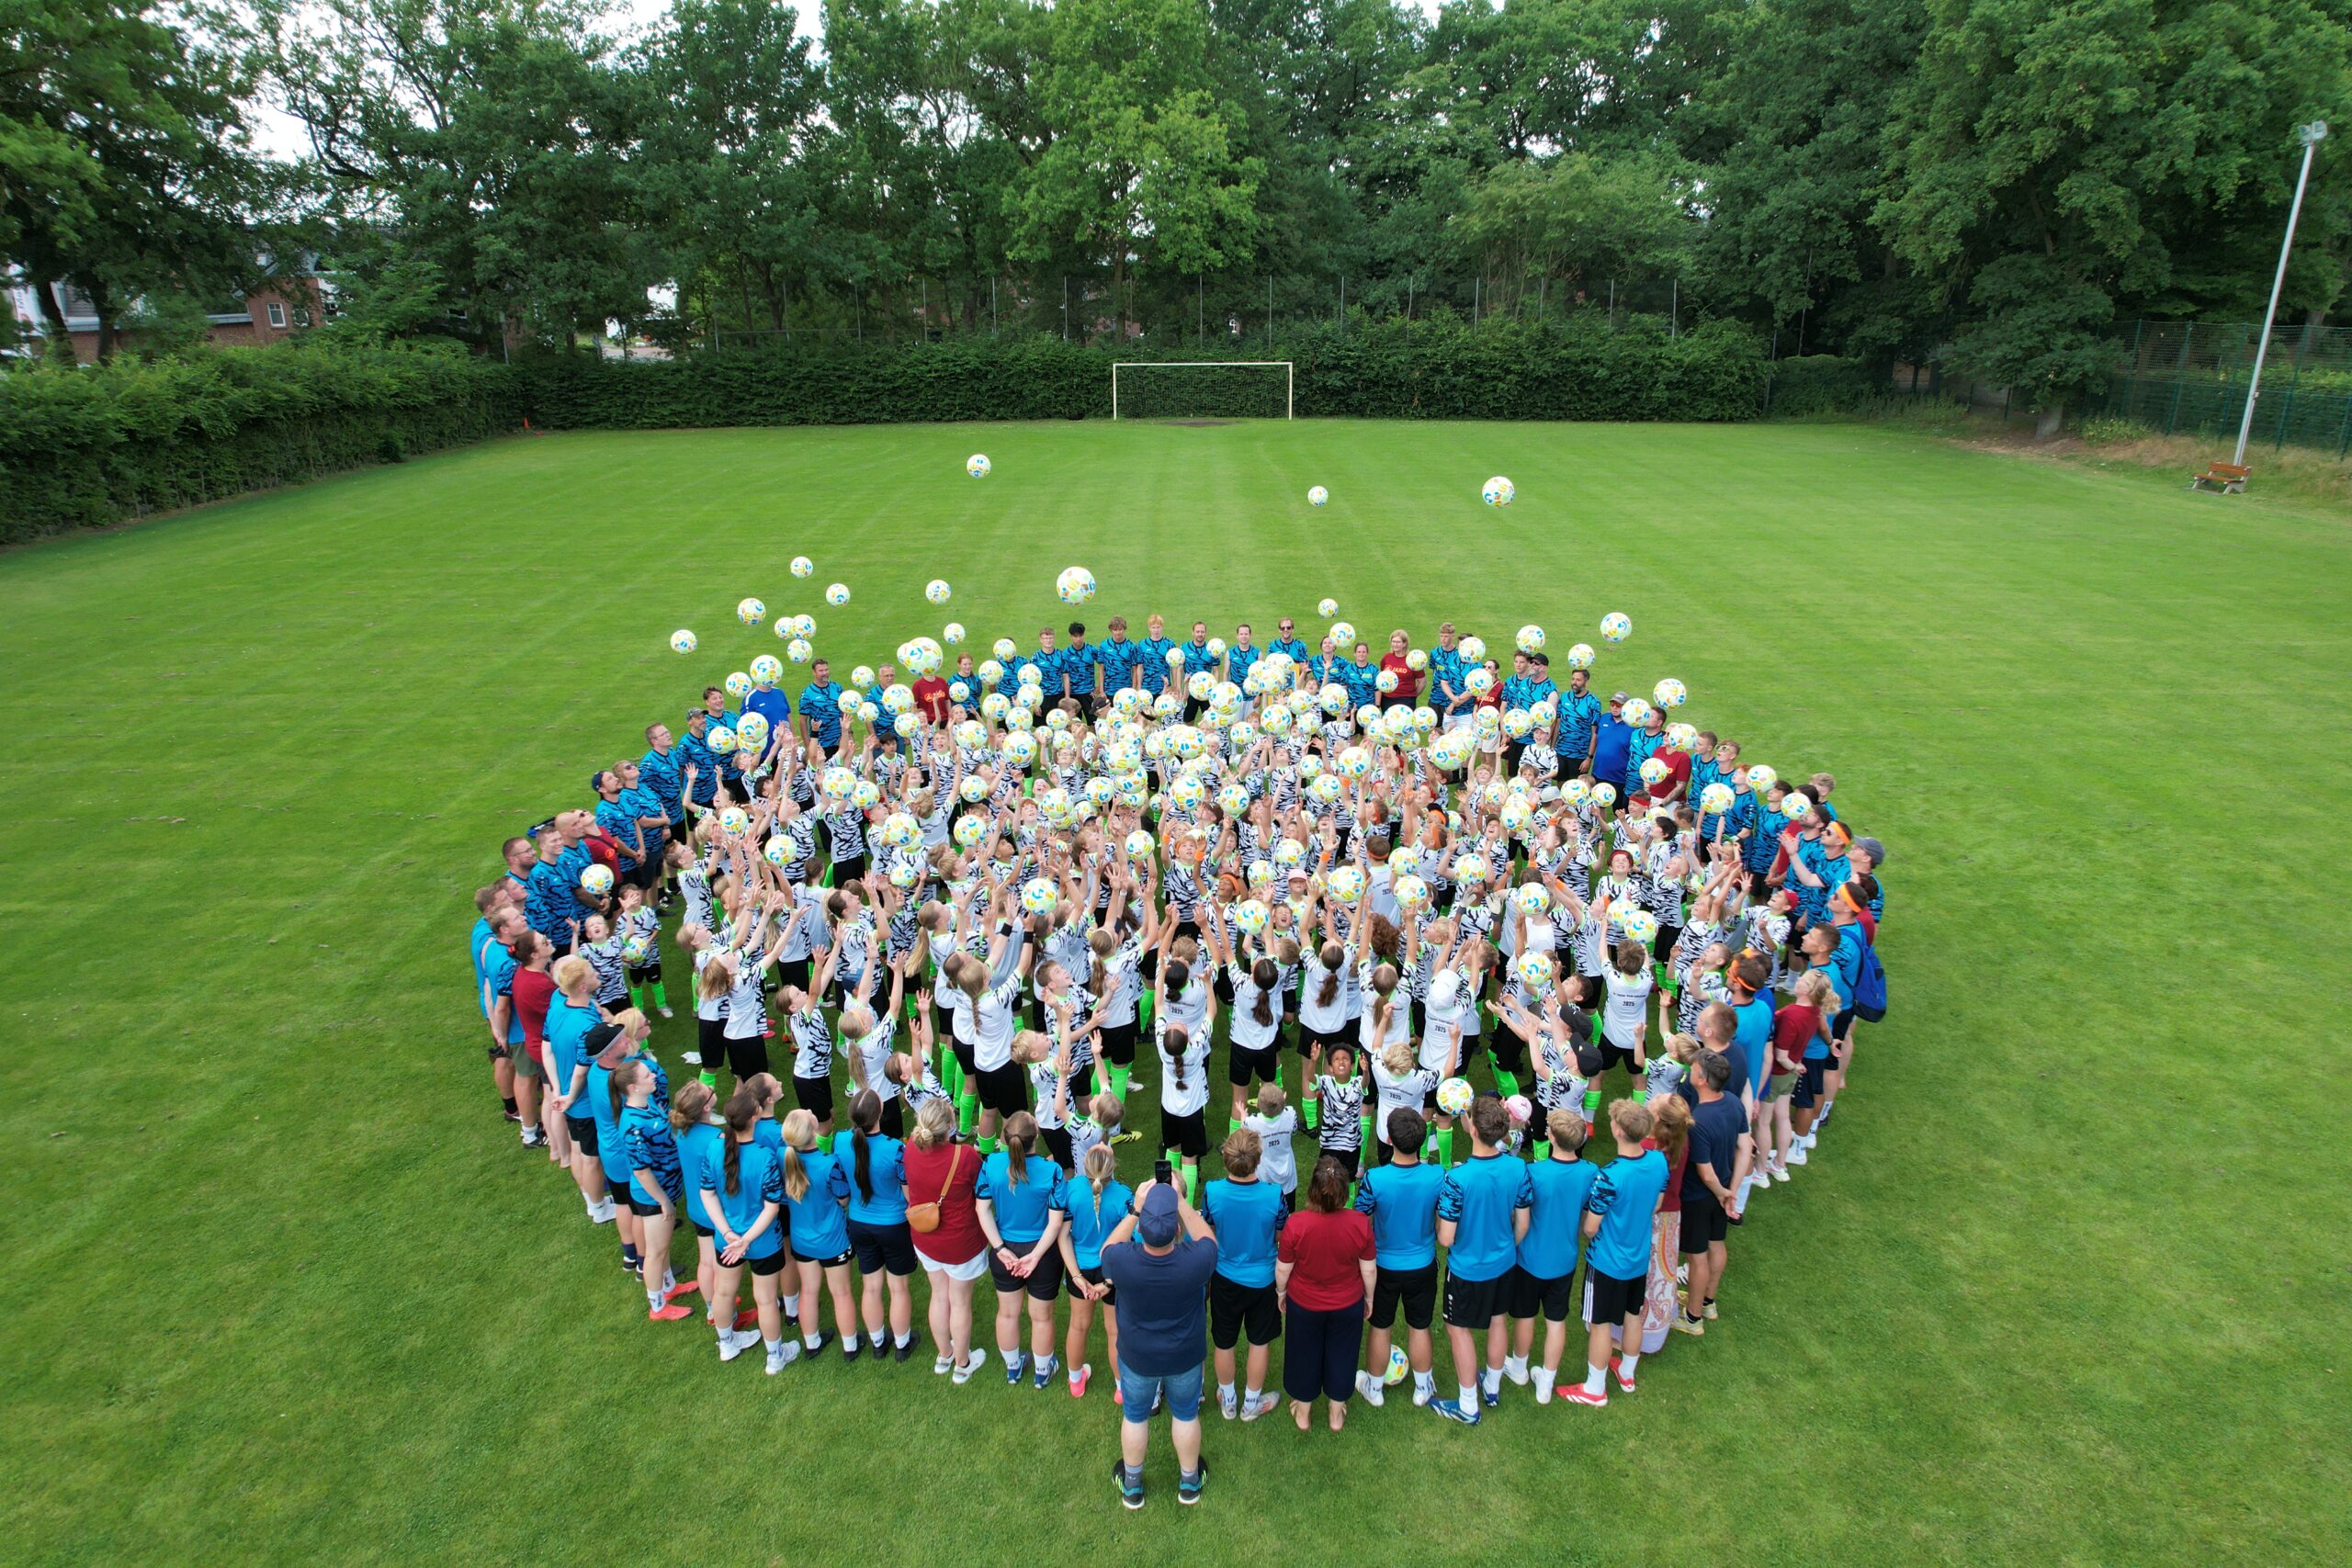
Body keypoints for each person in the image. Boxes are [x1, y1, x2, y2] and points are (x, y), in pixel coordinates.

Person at [1099, 1179, 1219, 1509]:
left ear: (1142, 1229)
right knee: (1186, 1415)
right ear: (1176, 1229)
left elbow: (1107, 1248)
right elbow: (1208, 1239)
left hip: (1137, 1358)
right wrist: (1179, 1202)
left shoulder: (1123, 1260)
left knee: (1135, 1416)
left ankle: (1132, 1486)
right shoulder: (1195, 1260)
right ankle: (1189, 1482)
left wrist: (1136, 1210)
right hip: (1185, 1357)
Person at [1430, 1095, 1532, 1425]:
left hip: (1467, 1269)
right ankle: (1492, 1386)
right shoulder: (1518, 1167)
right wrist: (1504, 1247)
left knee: (1457, 1329)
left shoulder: (1458, 1179)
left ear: (1473, 1129)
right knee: (1498, 1320)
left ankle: (1468, 1406)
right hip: (1505, 1263)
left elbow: (1446, 1238)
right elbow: (1523, 1223)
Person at [1565, 1100, 1669, 1406]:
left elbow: (1590, 1228)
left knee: (1600, 1324)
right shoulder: (1658, 1161)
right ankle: (1627, 1373)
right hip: (1638, 1258)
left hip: (1607, 1262)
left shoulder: (1609, 1176)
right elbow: (1658, 1203)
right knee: (1632, 1315)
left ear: (1618, 1131)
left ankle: (1594, 1389)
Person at [1275, 1155, 1376, 1431]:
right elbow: (1368, 1269)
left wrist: (1281, 1292)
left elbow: (1283, 1268)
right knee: (1343, 1353)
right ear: (1344, 1191)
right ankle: (1335, 1413)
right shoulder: (1359, 1223)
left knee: (1303, 1353)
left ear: (1312, 1190)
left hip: (1304, 1304)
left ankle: (1303, 1413)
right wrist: (1368, 1298)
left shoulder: (1296, 1224)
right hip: (1347, 1304)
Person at [1353, 1107, 1445, 1408]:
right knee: (1420, 1326)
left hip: (1384, 1267)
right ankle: (1423, 1388)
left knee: (1381, 1326)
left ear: (1389, 1139)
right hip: (1423, 1265)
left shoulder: (1375, 1179)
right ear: (1422, 1140)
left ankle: (1374, 1389)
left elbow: (1361, 1222)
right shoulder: (1437, 1176)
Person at [1509, 1110, 1600, 1402]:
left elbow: (1519, 1215)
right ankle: (1546, 1383)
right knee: (1556, 1320)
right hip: (1564, 1259)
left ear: (1551, 1137)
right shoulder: (1590, 1172)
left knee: (1525, 1316)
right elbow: (1587, 1212)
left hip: (1529, 1259)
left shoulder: (1533, 1173)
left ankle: (1519, 1368)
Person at [702, 1088, 796, 1371]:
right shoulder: (764, 1157)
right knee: (765, 1300)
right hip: (763, 1241)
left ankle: (727, 1343)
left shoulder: (714, 1148)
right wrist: (745, 1240)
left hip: (727, 1240)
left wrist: (728, 1233)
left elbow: (707, 1193)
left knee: (723, 1292)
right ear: (755, 1117)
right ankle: (775, 1356)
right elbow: (772, 1207)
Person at [975, 1110, 1069, 1387]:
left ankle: (1013, 1369)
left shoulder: (991, 1164)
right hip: (1043, 1253)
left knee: (1007, 1313)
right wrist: (1035, 1256)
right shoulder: (1052, 1171)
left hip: (1007, 1252)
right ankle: (1042, 1372)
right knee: (1042, 1317)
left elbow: (982, 1210)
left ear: (1005, 1138)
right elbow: (1056, 1222)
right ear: (1036, 1135)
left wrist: (1000, 1248)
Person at [902, 1097, 989, 1381]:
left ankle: (945, 1355)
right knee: (959, 1302)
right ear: (950, 1125)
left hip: (926, 1240)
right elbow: (982, 1190)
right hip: (960, 1244)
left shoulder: (910, 1149)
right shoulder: (965, 1157)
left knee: (939, 1295)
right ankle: (962, 1364)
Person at [1201, 1128, 1283, 1422]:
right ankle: (1250, 1404)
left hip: (1225, 1279)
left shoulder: (1212, 1191)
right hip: (1263, 1281)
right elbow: (1280, 1236)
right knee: (1259, 1342)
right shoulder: (1274, 1195)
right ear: (1258, 1160)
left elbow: (1209, 1231)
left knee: (1224, 1341)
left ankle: (1229, 1401)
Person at [837, 1089, 918, 1360]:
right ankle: (902, 1345)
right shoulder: (895, 1149)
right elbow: (909, 1194)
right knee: (898, 1288)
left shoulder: (840, 1141)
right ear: (880, 1112)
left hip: (859, 1224)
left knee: (871, 1286)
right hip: (893, 1226)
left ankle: (878, 1343)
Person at [1674, 1048, 1749, 1337]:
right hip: (1722, 1189)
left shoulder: (1697, 1121)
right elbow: (1744, 1148)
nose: (1689, 1072)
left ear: (1703, 1080)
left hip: (1698, 1195)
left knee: (1696, 1257)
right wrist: (1731, 1191)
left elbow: (1705, 1172)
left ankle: (1692, 1318)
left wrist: (1721, 1192)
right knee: (1716, 1243)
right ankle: (1707, 1302)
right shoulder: (1733, 1102)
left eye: (1693, 1070)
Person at [1055, 1143, 1133, 1400]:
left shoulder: (1071, 1189)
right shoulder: (1124, 1195)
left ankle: (1075, 1381)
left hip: (1080, 1268)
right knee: (1114, 1331)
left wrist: (1076, 1276)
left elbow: (1063, 1236)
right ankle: (1121, 1388)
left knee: (1078, 1325)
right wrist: (1109, 1283)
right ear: (1112, 1170)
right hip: (1113, 1271)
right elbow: (1130, 1241)